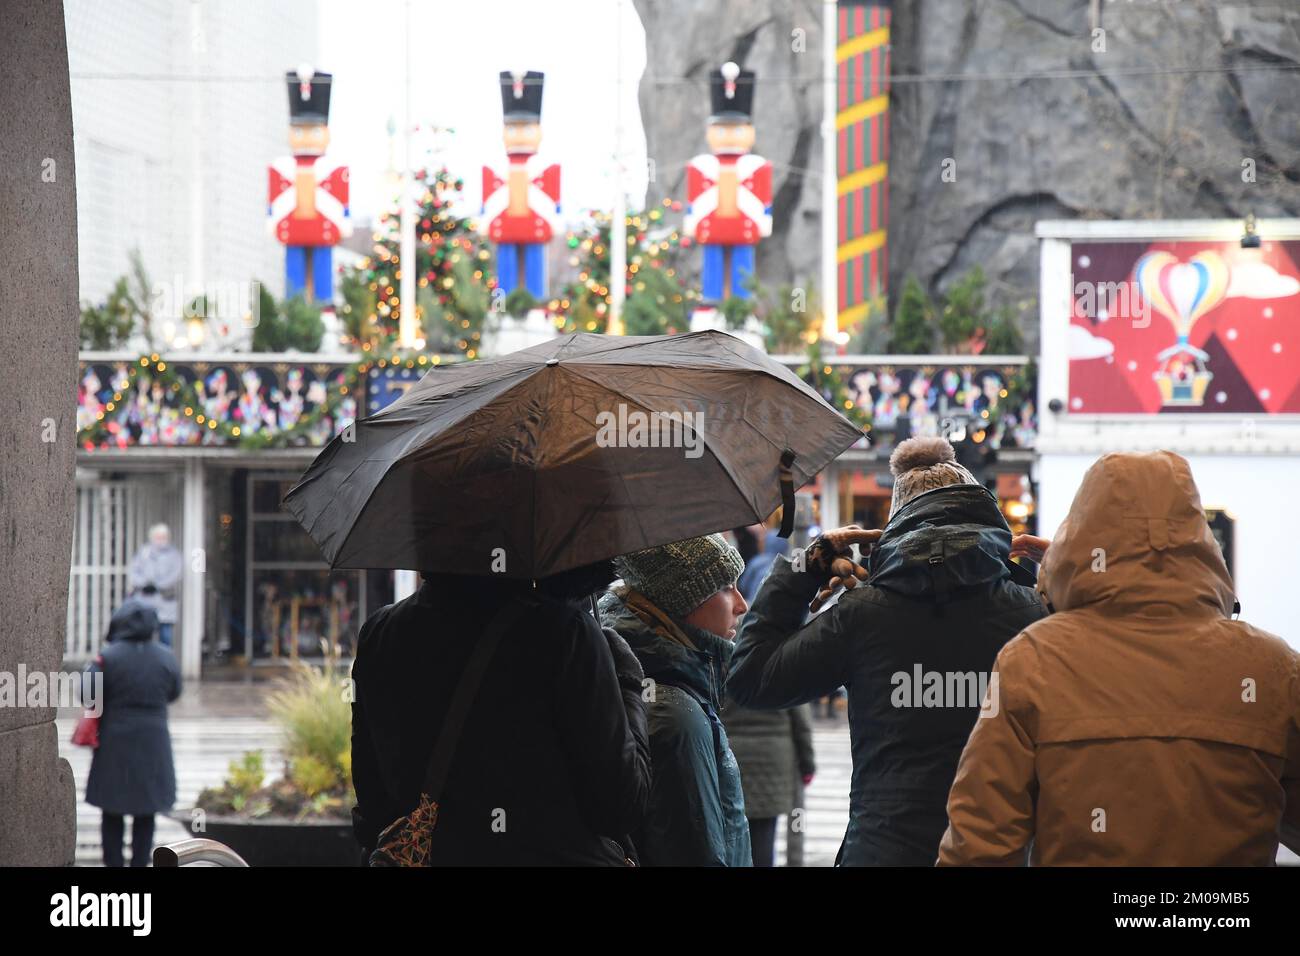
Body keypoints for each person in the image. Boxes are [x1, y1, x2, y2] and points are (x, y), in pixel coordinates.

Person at [938, 451, 1300, 866]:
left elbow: (980, 846)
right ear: (1201, 541)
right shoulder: (1272, 670)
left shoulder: (1034, 661)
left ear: (1080, 536)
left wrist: (1066, 576)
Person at [727, 436, 1046, 865]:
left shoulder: (862, 613)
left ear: (896, 521)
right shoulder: (1035, 613)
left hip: (882, 849)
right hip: (999, 852)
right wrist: (1070, 576)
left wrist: (808, 566)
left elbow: (750, 678)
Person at [350, 561, 650, 865]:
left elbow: (372, 809)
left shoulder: (379, 633)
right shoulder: (565, 633)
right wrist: (627, 682)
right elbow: (620, 807)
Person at [599, 533, 752, 866]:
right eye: (725, 588)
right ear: (680, 603)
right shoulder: (674, 715)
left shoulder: (653, 687)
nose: (741, 604)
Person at [85, 596, 182, 867]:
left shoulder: (108, 657)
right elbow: (175, 692)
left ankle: (113, 864)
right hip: (153, 741)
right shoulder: (166, 657)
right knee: (146, 811)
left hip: (114, 741)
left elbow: (88, 694)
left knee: (111, 811)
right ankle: (140, 863)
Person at [720, 697, 815, 866]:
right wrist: (808, 765)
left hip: (733, 755)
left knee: (733, 829)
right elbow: (802, 725)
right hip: (773, 761)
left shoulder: (726, 671)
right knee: (764, 832)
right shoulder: (786, 673)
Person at [128, 523, 182, 648]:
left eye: (163, 536)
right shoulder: (144, 552)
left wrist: (157, 586)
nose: (160, 540)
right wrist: (144, 584)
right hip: (145, 601)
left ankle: (164, 665)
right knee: (144, 637)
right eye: (158, 537)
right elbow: (134, 571)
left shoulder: (174, 555)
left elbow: (176, 574)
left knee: (165, 638)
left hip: (165, 602)